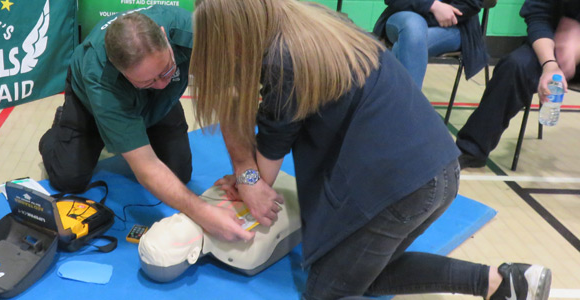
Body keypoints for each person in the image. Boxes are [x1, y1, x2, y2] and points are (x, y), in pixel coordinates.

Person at [190, 0, 552, 299]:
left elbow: (263, 177)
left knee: (326, 291)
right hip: (438, 166)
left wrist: (247, 179)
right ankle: (504, 282)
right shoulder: (313, 21)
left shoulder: (284, 61)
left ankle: (502, 282)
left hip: (404, 188)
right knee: (364, 273)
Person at [38, 6, 255, 242]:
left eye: (166, 70)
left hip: (160, 104)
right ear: (116, 66)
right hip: (91, 103)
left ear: (164, 35)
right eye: (147, 80)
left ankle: (137, 110)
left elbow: (231, 98)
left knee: (179, 174)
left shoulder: (193, 33)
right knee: (69, 180)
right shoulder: (100, 78)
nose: (162, 83)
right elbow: (146, 166)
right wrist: (204, 213)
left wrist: (247, 173)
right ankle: (64, 126)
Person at [456, 0, 580, 168]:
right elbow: (538, 17)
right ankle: (472, 149)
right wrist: (550, 64)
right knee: (515, 66)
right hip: (553, 44)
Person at [138, 171, 302, 282]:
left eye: (163, 223)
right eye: (172, 233)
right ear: (192, 255)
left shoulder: (203, 201)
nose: (174, 219)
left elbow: (255, 144)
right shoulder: (243, 254)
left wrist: (246, 177)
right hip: (304, 192)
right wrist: (251, 178)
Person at [373, 0, 489, 89]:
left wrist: (438, 13)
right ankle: (409, 112)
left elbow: (471, 4)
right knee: (414, 29)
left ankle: (399, 109)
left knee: (409, 41)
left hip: (454, 24)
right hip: (406, 16)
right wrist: (432, 6)